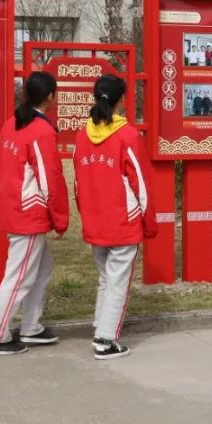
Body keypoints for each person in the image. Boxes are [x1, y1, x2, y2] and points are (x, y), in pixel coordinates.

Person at [0, 71, 69, 356]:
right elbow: (51, 179)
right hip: (28, 214)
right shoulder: (42, 131)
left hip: (13, 208)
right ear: (51, 97)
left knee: (41, 270)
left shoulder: (12, 124)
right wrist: (60, 219)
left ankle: (31, 327)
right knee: (18, 277)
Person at [73, 74, 157, 360]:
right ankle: (105, 341)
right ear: (123, 99)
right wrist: (149, 222)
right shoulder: (128, 136)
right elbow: (141, 184)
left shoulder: (82, 135)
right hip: (123, 222)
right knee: (118, 281)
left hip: (95, 220)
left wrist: (86, 215)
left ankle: (101, 326)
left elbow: (77, 184)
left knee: (106, 278)